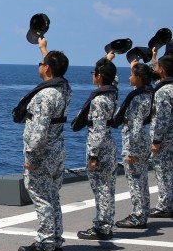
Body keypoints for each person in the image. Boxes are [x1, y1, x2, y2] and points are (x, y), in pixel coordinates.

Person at [12, 38, 71, 251]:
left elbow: (38, 131)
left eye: (41, 63)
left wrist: (32, 158)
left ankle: (45, 241)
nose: (39, 65)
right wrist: (43, 48)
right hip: (57, 150)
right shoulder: (63, 89)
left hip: (43, 153)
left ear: (47, 68)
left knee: (41, 196)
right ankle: (55, 237)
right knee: (52, 195)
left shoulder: (45, 95)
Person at [73, 58, 119, 240]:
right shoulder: (112, 93)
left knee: (102, 188)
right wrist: (108, 60)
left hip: (100, 149)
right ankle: (105, 223)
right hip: (109, 144)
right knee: (107, 187)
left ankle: (102, 226)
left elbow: (97, 131)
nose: (93, 76)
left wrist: (93, 155)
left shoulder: (99, 100)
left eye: (94, 73)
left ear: (99, 77)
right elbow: (113, 80)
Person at [111, 60, 155, 229]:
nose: (129, 77)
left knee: (136, 181)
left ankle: (138, 216)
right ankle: (143, 211)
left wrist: (130, 151)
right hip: (144, 140)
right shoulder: (148, 94)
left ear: (139, 78)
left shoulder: (137, 100)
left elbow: (135, 127)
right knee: (142, 179)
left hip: (135, 143)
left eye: (132, 75)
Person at [151, 55, 173, 218]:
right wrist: (153, 59)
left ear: (162, 70)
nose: (155, 68)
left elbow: (162, 118)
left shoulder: (163, 90)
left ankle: (165, 205)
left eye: (157, 66)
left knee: (163, 171)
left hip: (165, 138)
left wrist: (157, 139)